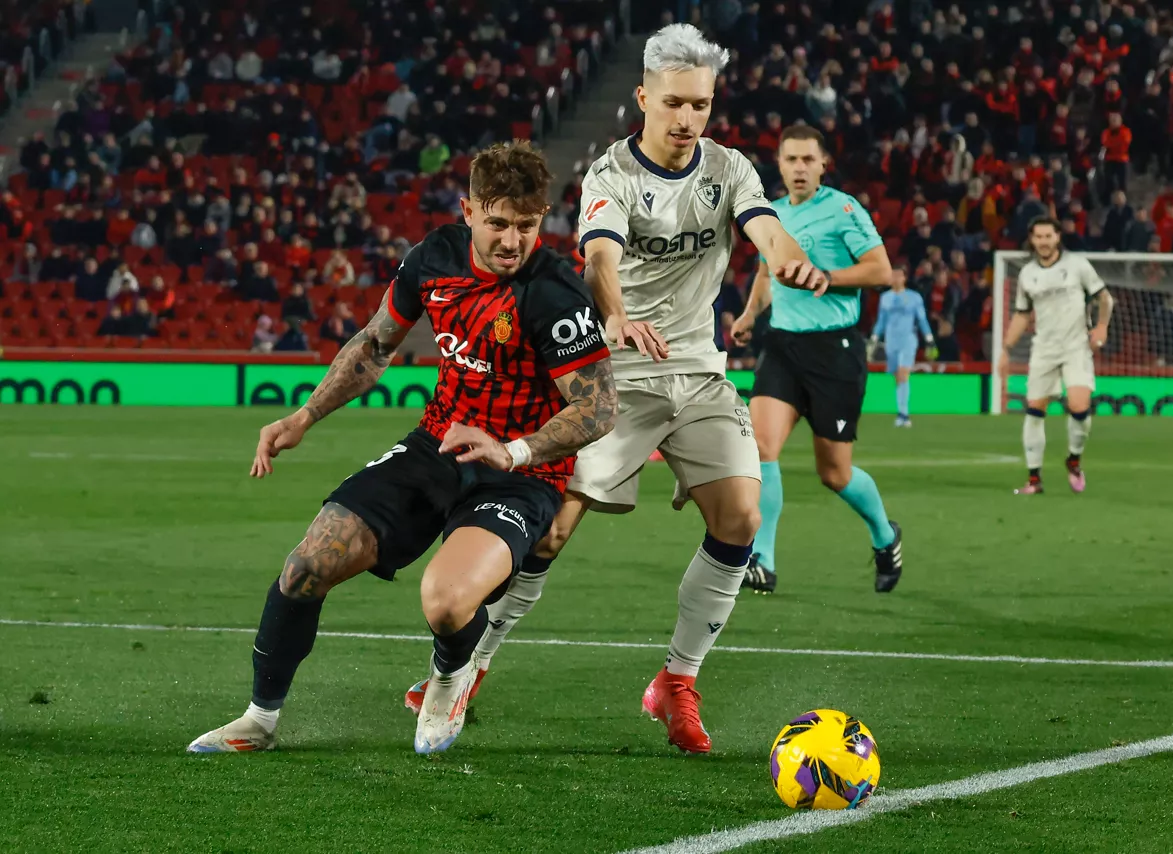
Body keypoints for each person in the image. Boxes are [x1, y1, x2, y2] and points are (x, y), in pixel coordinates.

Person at [404, 24, 825, 755]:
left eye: (701, 104)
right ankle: (471, 664)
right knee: (554, 529)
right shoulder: (611, 175)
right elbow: (601, 255)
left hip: (697, 370)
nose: (689, 119)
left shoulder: (729, 169)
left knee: (741, 517)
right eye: (674, 104)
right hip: (617, 371)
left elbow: (765, 228)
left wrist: (791, 260)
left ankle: (677, 682)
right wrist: (618, 316)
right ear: (643, 98)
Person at [186, 141, 616, 755]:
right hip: (434, 448)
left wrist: (513, 451)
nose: (512, 241)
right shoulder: (433, 259)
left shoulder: (554, 293)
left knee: (444, 602)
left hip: (519, 476)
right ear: (468, 211)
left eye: (526, 225)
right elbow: (374, 346)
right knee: (307, 564)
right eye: (497, 223)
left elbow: (599, 407)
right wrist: (305, 415)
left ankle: (449, 676)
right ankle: (259, 717)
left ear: (542, 218)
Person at [729, 125, 901, 596]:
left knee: (834, 473)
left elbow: (881, 271)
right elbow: (766, 273)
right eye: (791, 160)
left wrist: (828, 276)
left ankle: (886, 536)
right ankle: (762, 559)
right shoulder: (773, 214)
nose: (800, 168)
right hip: (782, 346)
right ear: (779, 164)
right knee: (759, 446)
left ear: (823, 163)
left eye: (808, 159)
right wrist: (748, 315)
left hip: (835, 350)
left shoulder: (844, 209)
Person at [998, 217, 1114, 495]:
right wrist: (1005, 349)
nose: (1043, 242)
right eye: (1038, 237)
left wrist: (1101, 326)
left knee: (1079, 406)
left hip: (1076, 346)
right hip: (1044, 349)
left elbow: (1105, 298)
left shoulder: (1077, 266)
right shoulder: (1027, 274)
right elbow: (1023, 314)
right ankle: (1034, 480)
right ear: (1032, 239)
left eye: (1048, 236)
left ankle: (1073, 459)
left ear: (1058, 237)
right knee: (1035, 410)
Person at [869, 266, 936, 428]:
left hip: (908, 340)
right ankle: (901, 412)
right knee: (897, 377)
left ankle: (904, 414)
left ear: (904, 278)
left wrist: (929, 339)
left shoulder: (914, 297)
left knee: (903, 373)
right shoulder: (885, 298)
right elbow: (881, 321)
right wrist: (874, 338)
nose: (896, 278)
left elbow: (922, 319)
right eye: (893, 275)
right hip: (891, 341)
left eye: (899, 275)